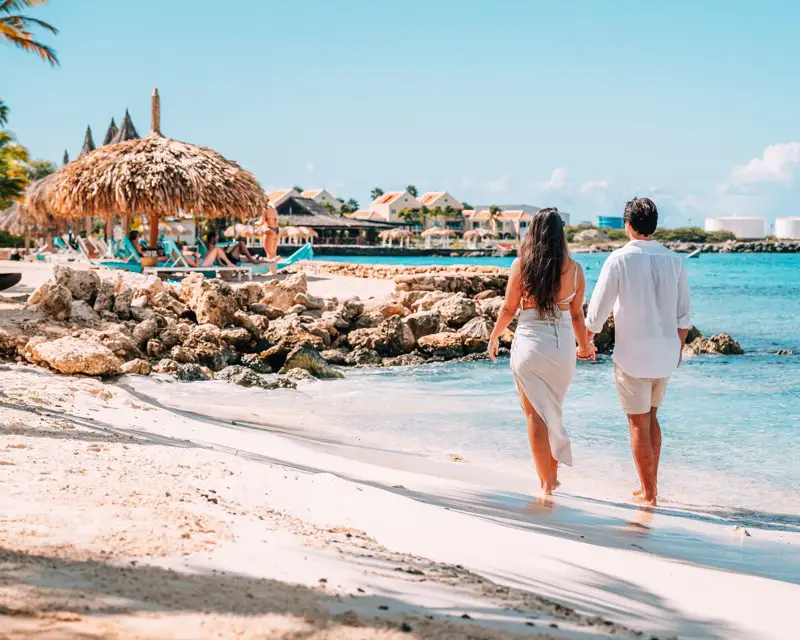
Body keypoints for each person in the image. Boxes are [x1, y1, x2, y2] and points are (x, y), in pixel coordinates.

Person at [585, 197, 691, 507]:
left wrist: (586, 341)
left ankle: (649, 493)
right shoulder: (674, 260)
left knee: (637, 423)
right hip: (665, 353)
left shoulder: (618, 259)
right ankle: (650, 485)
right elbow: (684, 316)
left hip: (632, 355)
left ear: (627, 225)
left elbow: (598, 310)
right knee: (652, 417)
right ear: (654, 225)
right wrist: (677, 349)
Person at [488, 208, 596, 495]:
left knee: (535, 416)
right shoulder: (575, 270)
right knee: (553, 412)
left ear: (532, 232)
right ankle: (552, 477)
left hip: (530, 344)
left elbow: (509, 308)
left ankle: (546, 483)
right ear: (562, 234)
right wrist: (584, 346)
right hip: (561, 349)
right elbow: (576, 315)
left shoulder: (521, 265)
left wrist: (494, 336)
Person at [262, 202, 281, 275]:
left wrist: (254, 223)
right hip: (277, 230)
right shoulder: (274, 210)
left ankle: (272, 272)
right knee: (273, 253)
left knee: (269, 253)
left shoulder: (264, 210)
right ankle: (274, 271)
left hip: (270, 230)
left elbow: (262, 222)